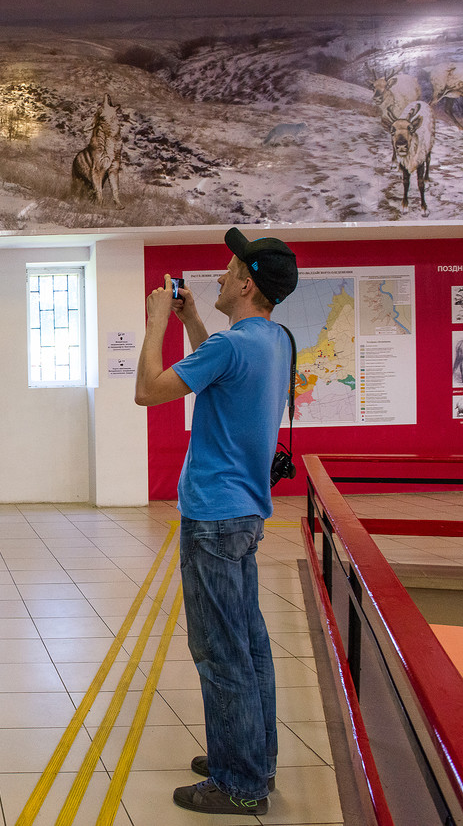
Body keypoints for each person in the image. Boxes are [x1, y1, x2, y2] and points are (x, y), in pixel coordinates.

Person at [134, 226, 299, 816]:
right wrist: (190, 320)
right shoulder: (271, 339)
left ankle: (239, 782)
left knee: (218, 649)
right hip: (246, 513)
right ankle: (251, 754)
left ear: (248, 284)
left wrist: (156, 321)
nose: (221, 277)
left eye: (230, 272)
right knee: (250, 643)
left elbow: (149, 391)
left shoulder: (234, 346)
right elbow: (218, 369)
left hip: (212, 516)